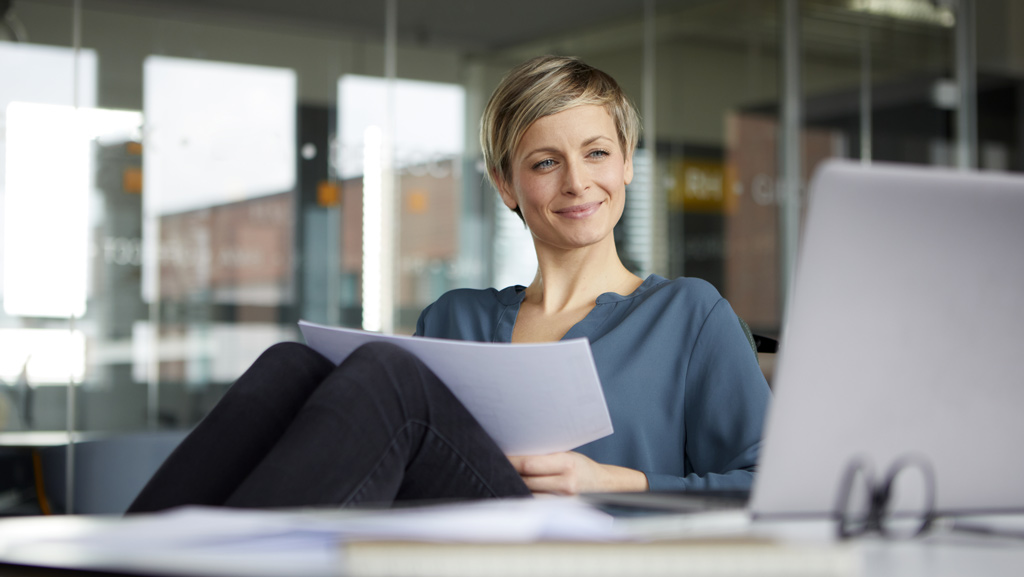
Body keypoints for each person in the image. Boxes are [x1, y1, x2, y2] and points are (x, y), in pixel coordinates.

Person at [126, 55, 770, 514]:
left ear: (627, 163)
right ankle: (131, 554)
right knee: (288, 365)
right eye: (545, 162)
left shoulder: (688, 314)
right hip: (456, 536)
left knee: (390, 373)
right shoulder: (455, 317)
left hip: (589, 547)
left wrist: (611, 482)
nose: (577, 182)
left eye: (597, 153)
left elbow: (773, 487)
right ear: (506, 186)